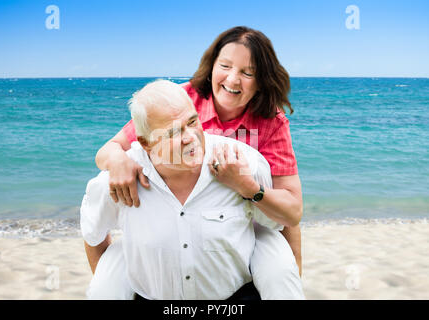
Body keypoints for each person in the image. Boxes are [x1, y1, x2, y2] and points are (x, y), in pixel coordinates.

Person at [94, 25, 303, 287]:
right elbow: (110, 148)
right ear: (212, 65)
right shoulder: (181, 100)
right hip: (182, 221)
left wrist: (246, 186)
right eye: (225, 66)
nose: (233, 80)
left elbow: (292, 214)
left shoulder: (271, 121)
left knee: (281, 274)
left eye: (247, 73)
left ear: (262, 80)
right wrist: (119, 161)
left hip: (248, 223)